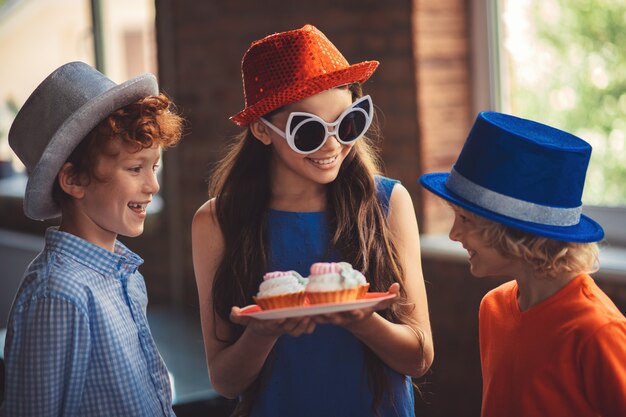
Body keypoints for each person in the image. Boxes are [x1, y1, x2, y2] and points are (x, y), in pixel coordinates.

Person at [192, 24, 433, 417]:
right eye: (308, 131)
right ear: (261, 130)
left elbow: (420, 358)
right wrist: (262, 332)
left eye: (348, 123)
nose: (333, 145)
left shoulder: (388, 203)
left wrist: (362, 322)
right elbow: (225, 380)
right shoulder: (216, 222)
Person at [1, 62, 184, 417]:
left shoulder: (127, 276)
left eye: (153, 167)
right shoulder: (58, 294)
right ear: (74, 180)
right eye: (135, 168)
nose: (153, 186)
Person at [420, 111, 626, 417]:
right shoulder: (493, 307)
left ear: (516, 233)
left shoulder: (597, 330)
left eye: (465, 219)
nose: (453, 234)